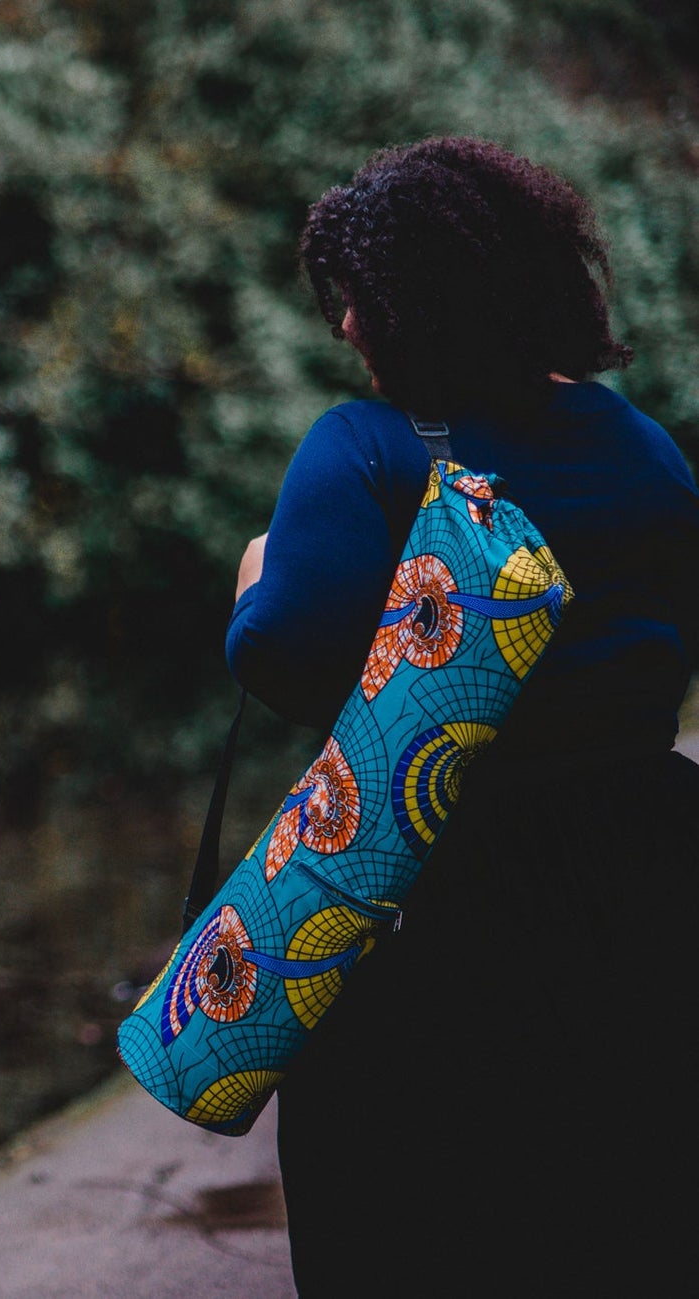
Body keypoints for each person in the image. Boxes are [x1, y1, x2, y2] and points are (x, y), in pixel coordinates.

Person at [228, 136, 699, 1295]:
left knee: (409, 1233)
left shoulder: (370, 451)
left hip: (439, 920)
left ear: (416, 306)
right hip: (646, 904)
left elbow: (282, 662)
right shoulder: (642, 449)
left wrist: (251, 579)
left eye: (357, 302)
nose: (344, 329)